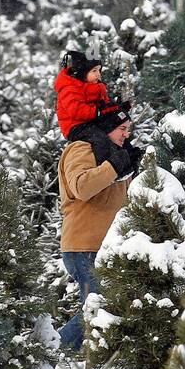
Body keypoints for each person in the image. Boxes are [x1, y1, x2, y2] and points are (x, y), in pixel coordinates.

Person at [56, 107, 143, 352]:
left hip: (106, 246)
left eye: (129, 130)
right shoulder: (81, 149)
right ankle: (52, 353)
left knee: (102, 307)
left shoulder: (112, 155)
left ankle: (71, 357)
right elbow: (82, 187)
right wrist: (115, 165)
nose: (127, 134)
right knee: (97, 308)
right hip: (84, 247)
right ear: (106, 129)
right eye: (121, 129)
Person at [54, 50, 128, 139]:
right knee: (100, 138)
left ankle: (130, 152)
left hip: (91, 122)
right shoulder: (70, 88)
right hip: (75, 127)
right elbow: (77, 111)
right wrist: (98, 111)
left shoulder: (96, 87)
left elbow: (104, 106)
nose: (98, 74)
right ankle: (108, 153)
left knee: (118, 125)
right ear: (83, 73)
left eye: (99, 70)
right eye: (94, 71)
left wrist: (116, 108)